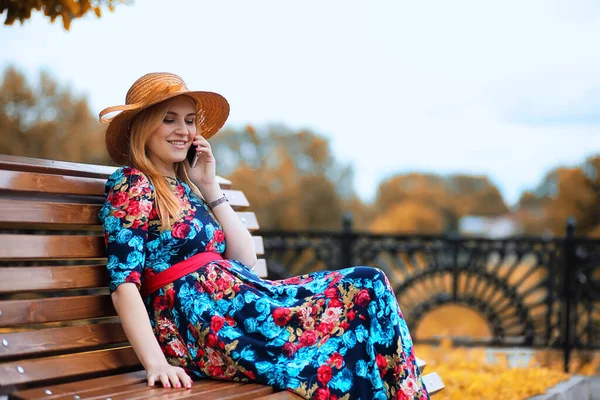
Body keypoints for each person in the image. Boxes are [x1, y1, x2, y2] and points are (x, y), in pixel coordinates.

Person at [98, 72, 430, 400]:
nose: (183, 131)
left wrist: (210, 186)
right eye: (169, 120)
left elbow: (244, 260)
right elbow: (124, 283)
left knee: (370, 285)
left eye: (189, 120)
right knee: (362, 293)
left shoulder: (187, 188)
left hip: (244, 306)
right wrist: (156, 363)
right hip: (208, 325)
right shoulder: (132, 182)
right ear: (143, 126)